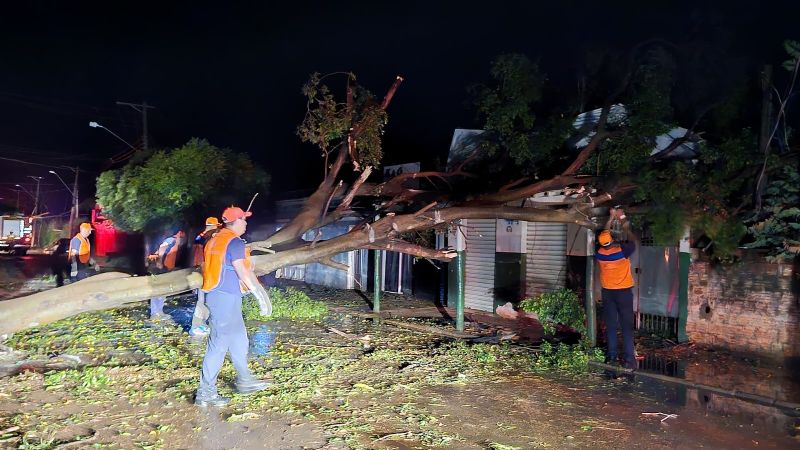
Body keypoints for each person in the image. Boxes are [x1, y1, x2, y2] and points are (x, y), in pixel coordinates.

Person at [195, 206, 272, 407]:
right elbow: (242, 271)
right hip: (224, 298)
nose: (246, 223)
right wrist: (260, 295)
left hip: (220, 294)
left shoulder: (214, 240)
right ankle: (205, 393)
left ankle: (245, 380)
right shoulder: (234, 242)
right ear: (236, 221)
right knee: (218, 344)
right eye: (244, 220)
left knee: (239, 338)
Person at [595, 207, 637, 370]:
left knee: (611, 326)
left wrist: (611, 218)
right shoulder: (622, 251)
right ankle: (629, 360)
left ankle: (611, 357)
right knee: (627, 327)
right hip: (623, 293)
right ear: (612, 240)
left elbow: (604, 235)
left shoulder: (599, 254)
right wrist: (622, 219)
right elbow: (632, 240)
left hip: (608, 293)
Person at [189, 217, 221, 337]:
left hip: (205, 272)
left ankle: (201, 325)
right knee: (203, 300)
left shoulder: (202, 237)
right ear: (213, 226)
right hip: (205, 272)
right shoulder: (205, 238)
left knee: (205, 299)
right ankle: (197, 326)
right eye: (217, 226)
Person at [147, 230, 186, 320]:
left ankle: (159, 312)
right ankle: (155, 313)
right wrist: (160, 262)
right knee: (159, 290)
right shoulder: (171, 239)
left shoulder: (175, 240)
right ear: (180, 232)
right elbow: (162, 247)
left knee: (163, 291)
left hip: (166, 267)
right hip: (162, 268)